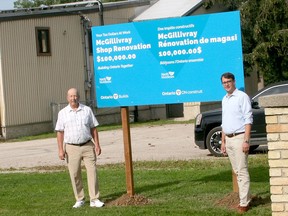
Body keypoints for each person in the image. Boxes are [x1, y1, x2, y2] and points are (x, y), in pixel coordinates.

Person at [55, 88, 104, 208]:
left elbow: (93, 128)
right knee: (75, 174)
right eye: (71, 96)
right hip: (71, 148)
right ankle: (80, 199)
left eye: (75, 96)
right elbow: (60, 132)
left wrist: (97, 144)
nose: (73, 98)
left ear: (79, 97)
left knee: (92, 172)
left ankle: (94, 199)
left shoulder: (87, 110)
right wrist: (61, 150)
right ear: (67, 98)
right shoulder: (62, 113)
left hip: (87, 145)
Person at [220, 72, 253, 214]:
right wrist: (223, 141)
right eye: (224, 82)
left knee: (242, 171)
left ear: (234, 81)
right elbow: (224, 121)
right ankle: (245, 198)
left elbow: (248, 119)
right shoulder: (224, 99)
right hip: (228, 139)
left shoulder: (242, 97)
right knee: (237, 171)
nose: (226, 84)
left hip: (240, 138)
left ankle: (244, 203)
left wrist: (246, 140)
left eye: (229, 81)